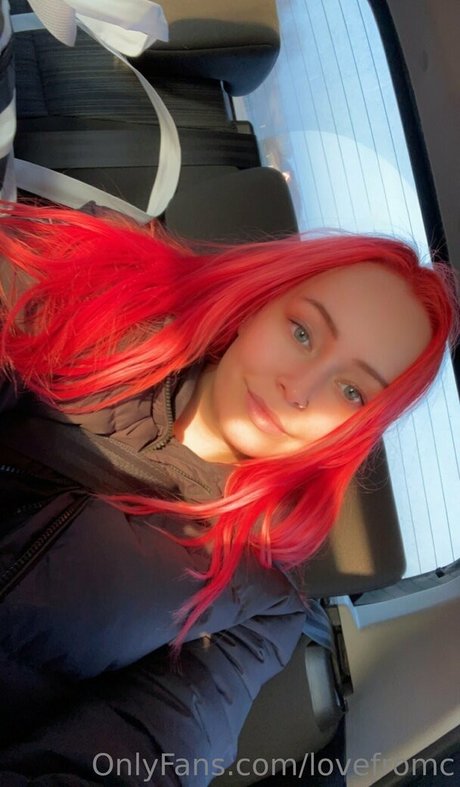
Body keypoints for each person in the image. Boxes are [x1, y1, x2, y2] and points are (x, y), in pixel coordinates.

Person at [0, 200, 458, 786]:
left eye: (350, 392)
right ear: (259, 305)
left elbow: (158, 746)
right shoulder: (110, 289)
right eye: (302, 332)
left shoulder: (261, 604)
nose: (299, 389)